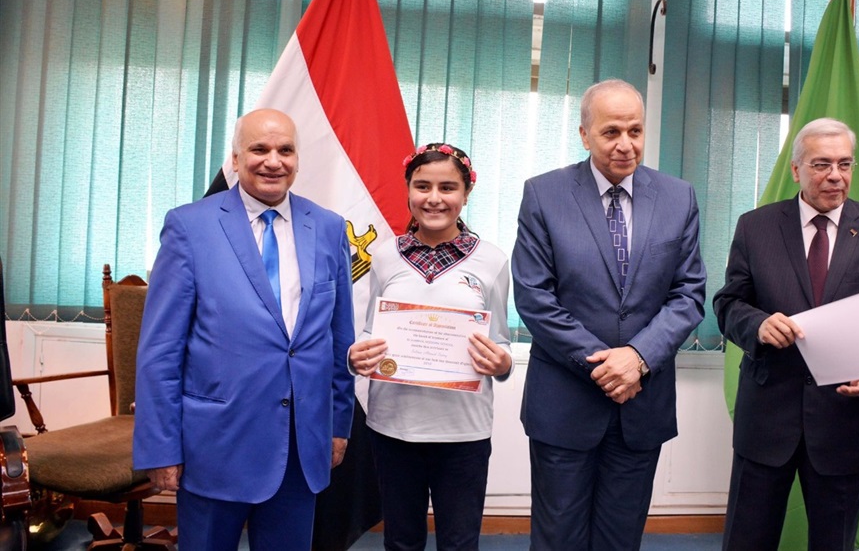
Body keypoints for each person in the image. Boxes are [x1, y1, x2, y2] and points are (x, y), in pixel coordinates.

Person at [133, 108, 355, 551]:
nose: (273, 161)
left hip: (300, 444)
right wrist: (161, 447)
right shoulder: (189, 226)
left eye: (285, 150)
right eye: (259, 149)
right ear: (235, 159)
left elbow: (339, 338)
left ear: (297, 159)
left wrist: (339, 424)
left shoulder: (328, 227)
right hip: (215, 445)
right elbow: (161, 350)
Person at [713, 117, 859, 551]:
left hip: (844, 422)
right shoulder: (755, 227)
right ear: (796, 170)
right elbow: (729, 303)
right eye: (822, 164)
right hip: (767, 420)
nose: (835, 175)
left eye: (844, 164)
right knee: (747, 541)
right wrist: (758, 325)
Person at [512, 79, 707, 551]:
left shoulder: (678, 197)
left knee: (620, 540)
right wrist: (607, 366)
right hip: (565, 403)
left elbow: (689, 294)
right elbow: (534, 297)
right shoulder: (544, 194)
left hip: (642, 405)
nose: (625, 144)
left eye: (635, 131)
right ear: (585, 135)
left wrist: (637, 358)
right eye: (611, 132)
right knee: (558, 539)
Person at [348, 143, 512, 551]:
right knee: (401, 541)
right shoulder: (385, 255)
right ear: (408, 189)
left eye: (447, 187)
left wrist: (502, 362)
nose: (434, 198)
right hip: (392, 427)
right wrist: (356, 355)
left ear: (466, 194)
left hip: (463, 431)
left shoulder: (492, 260)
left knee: (459, 542)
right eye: (422, 186)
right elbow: (370, 330)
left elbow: (501, 342)